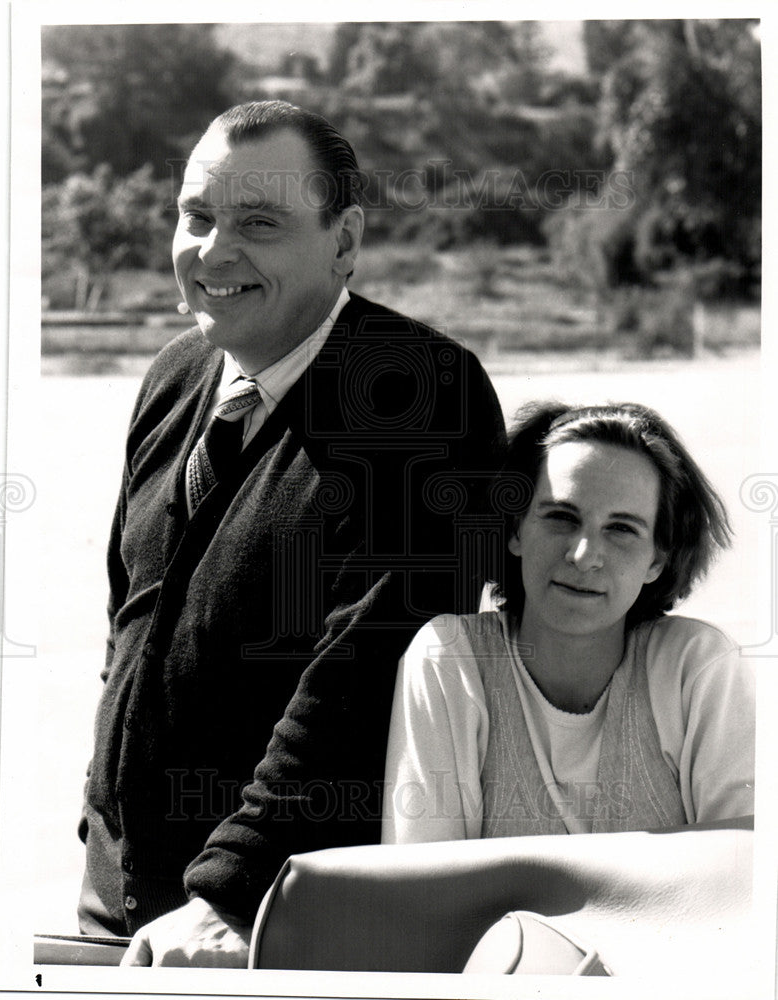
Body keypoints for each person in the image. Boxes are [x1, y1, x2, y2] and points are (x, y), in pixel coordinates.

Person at [77, 100, 506, 966]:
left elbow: (366, 670)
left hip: (272, 928)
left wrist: (236, 895)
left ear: (343, 240)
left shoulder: (419, 395)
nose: (213, 251)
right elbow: (131, 621)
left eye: (259, 224)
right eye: (196, 216)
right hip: (122, 907)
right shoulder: (177, 371)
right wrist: (103, 820)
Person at [382, 401, 755, 844]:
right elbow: (424, 887)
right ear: (516, 528)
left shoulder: (695, 668)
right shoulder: (453, 660)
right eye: (561, 517)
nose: (583, 556)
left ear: (658, 558)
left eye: (621, 529)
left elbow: (745, 871)